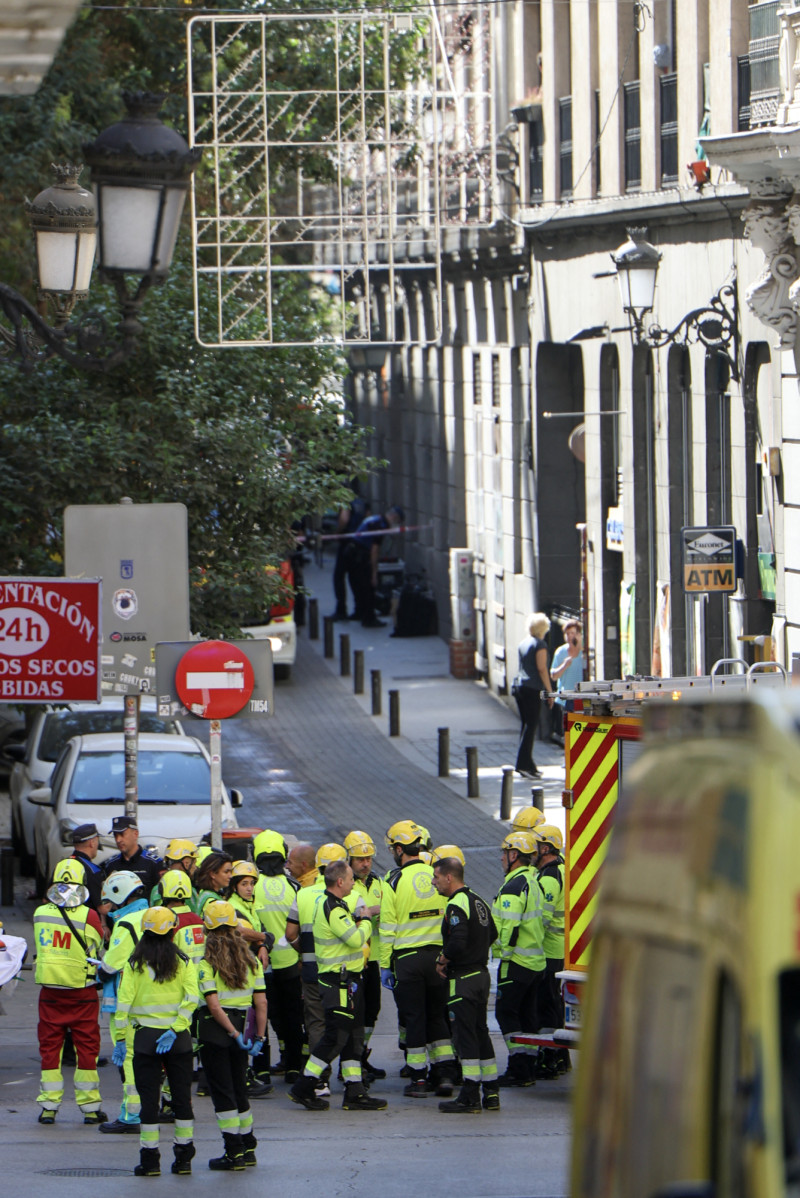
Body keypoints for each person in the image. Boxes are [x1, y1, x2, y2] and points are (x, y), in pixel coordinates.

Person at [289, 860, 387, 1112]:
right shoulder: (333, 908)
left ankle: (355, 1090)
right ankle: (304, 1085)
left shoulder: (337, 906)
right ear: (340, 881)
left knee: (354, 1036)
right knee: (336, 1036)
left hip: (349, 980)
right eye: (352, 879)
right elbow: (355, 940)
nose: (355, 883)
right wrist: (365, 920)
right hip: (338, 982)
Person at [114, 906, 198, 1177]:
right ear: (173, 930)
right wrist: (176, 1028)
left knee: (149, 1102)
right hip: (178, 1039)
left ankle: (150, 1161)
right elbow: (192, 999)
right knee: (182, 1100)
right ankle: (184, 1159)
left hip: (145, 1039)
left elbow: (123, 1003)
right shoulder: (183, 961)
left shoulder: (134, 963)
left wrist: (118, 1038)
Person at [379, 820, 456, 1097]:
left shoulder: (393, 880)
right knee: (437, 1016)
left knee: (413, 1018)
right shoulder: (438, 875)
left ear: (400, 849)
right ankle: (445, 1074)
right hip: (438, 959)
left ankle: (418, 1079)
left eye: (392, 849)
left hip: (407, 961)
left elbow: (387, 927)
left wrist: (385, 965)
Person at [33, 859, 107, 1126]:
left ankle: (49, 1107)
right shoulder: (88, 916)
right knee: (87, 1049)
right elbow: (97, 944)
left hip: (50, 992)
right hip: (81, 993)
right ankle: (90, 1108)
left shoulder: (40, 913)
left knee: (50, 1048)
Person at [197, 901, 268, 1169]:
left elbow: (213, 1005)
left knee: (222, 1092)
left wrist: (231, 1032)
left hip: (217, 1031)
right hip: (245, 1029)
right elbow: (261, 1003)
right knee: (239, 1087)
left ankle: (233, 1151)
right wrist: (258, 1037)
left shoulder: (206, 964)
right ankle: (248, 1145)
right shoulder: (252, 963)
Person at [431, 846, 499, 1114]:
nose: (434, 882)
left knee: (465, 1035)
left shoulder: (456, 904)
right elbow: (491, 932)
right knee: (481, 1032)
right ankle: (491, 1092)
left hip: (464, 979)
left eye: (436, 877)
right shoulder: (478, 899)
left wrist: (443, 959)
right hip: (481, 976)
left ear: (449, 877)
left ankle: (469, 1095)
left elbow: (457, 940)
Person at [284, 843, 350, 1097]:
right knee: (344, 1023)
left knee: (316, 1024)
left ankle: (319, 1080)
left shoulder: (303, 894)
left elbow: (290, 933)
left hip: (312, 971)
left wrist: (303, 952)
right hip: (342, 972)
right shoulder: (346, 893)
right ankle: (352, 1077)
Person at [95, 870, 150, 1134]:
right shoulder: (155, 915)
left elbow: (110, 965)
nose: (111, 908)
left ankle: (131, 1116)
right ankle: (150, 1109)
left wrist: (99, 970)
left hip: (128, 1003)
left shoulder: (126, 923)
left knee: (129, 1060)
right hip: (155, 1000)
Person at [492, 831, 547, 1087]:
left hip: (515, 964)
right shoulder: (533, 882)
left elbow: (509, 929)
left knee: (506, 1014)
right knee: (528, 1017)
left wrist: (501, 955)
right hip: (536, 963)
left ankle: (518, 1066)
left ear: (514, 855)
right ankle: (529, 1067)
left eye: (504, 854)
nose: (502, 859)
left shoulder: (514, 887)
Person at [251, 830, 303, 1087]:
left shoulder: (251, 887)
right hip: (292, 963)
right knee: (294, 1017)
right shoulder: (294, 886)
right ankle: (294, 1067)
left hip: (262, 965)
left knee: (263, 1018)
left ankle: (261, 1071)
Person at [344, 829, 386, 1082]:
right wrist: (371, 911)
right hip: (352, 960)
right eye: (360, 859)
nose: (365, 863)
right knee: (354, 1013)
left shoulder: (379, 883)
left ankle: (361, 1055)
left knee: (372, 1010)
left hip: (374, 959)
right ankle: (350, 1062)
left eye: (368, 858)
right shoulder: (346, 885)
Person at [533, 824, 569, 1077]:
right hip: (560, 949)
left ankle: (552, 1056)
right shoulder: (562, 869)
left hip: (549, 950)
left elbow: (542, 919)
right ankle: (561, 1056)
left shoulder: (548, 877)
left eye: (535, 846)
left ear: (545, 848)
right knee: (554, 1003)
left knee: (547, 1005)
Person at [347, 504, 404, 628]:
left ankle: (361, 612)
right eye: (398, 522)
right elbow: (374, 550)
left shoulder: (376, 519)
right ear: (394, 517)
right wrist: (374, 573)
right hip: (360, 556)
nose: (396, 526)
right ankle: (369, 618)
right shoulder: (380, 525)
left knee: (359, 586)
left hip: (353, 553)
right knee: (368, 588)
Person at [512, 613, 554, 779]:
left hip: (519, 686)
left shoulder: (523, 643)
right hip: (531, 688)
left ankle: (528, 763)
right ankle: (523, 764)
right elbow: (542, 668)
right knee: (531, 726)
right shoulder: (540, 644)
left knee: (526, 725)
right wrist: (549, 692)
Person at [330, 491, 368, 621]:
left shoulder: (345, 503)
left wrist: (337, 532)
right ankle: (359, 609)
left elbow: (344, 519)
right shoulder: (360, 502)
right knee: (355, 578)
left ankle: (341, 610)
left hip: (346, 543)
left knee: (339, 576)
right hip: (358, 543)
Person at [102, 815, 162, 893]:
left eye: (122, 834)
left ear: (135, 834)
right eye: (115, 835)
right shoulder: (110, 865)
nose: (118, 840)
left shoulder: (154, 863)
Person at [549, 620, 584, 746]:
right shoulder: (561, 652)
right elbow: (553, 676)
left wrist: (580, 646)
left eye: (573, 633)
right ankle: (568, 759)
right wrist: (564, 665)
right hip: (566, 697)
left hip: (583, 696)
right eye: (567, 633)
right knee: (568, 731)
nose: (569, 637)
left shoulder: (584, 651)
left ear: (579, 634)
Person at [69, 823, 105, 914]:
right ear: (92, 843)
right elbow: (103, 909)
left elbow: (46, 899)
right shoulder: (93, 870)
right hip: (83, 924)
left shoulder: (61, 865)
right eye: (97, 841)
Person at [192, 850, 234, 918]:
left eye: (231, 872)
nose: (230, 876)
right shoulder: (212, 902)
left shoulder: (204, 893)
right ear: (213, 874)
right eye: (226, 872)